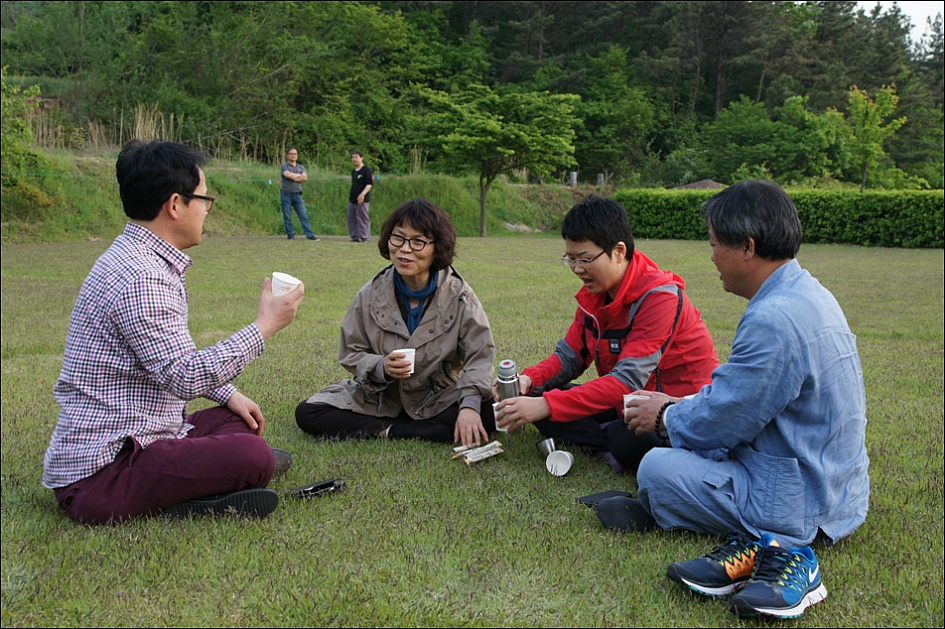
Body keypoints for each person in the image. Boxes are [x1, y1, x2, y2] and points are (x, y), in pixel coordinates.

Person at [606, 180, 869, 619]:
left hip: (805, 499)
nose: (711, 257)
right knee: (655, 443)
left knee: (655, 467)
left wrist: (665, 415)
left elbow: (723, 420)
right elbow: (743, 400)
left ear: (747, 246)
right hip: (836, 485)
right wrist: (677, 408)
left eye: (714, 244)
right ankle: (751, 538)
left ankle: (776, 548)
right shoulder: (808, 292)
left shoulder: (774, 318)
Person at [42, 140, 304, 524]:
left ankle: (208, 477)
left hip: (149, 431)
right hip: (103, 474)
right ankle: (208, 485)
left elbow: (164, 358)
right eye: (204, 199)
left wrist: (226, 393)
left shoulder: (140, 257)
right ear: (176, 204)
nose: (207, 210)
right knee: (255, 456)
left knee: (240, 421)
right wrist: (265, 326)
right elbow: (182, 375)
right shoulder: (142, 276)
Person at [493, 197, 718, 473]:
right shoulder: (596, 293)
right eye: (571, 259)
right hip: (625, 404)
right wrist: (528, 381)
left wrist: (546, 405)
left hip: (672, 411)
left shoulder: (660, 297)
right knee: (543, 395)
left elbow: (625, 380)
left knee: (628, 438)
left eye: (585, 259)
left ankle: (613, 442)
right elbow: (569, 357)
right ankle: (609, 435)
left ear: (619, 251)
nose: (577, 269)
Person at [296, 198, 496, 447]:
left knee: (493, 411)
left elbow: (480, 358)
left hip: (439, 398)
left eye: (418, 242)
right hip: (382, 399)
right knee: (308, 413)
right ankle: (404, 431)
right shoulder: (371, 294)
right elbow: (351, 352)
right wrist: (381, 366)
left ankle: (417, 426)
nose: (404, 249)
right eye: (398, 238)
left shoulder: (459, 295)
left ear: (438, 247)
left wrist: (468, 407)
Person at [280, 147, 319, 241]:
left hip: (298, 195)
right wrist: (298, 176)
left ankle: (310, 235)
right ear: (287, 155)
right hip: (286, 194)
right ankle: (290, 235)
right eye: (291, 153)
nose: (293, 155)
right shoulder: (284, 166)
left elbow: (305, 178)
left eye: (295, 154)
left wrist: (294, 177)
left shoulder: (301, 167)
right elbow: (287, 175)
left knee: (303, 215)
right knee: (287, 216)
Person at [348, 150, 373, 242]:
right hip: (352, 198)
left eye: (356, 157)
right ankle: (355, 236)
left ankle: (364, 236)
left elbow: (369, 184)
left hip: (363, 198)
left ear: (361, 158)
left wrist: (362, 194)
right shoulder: (353, 171)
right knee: (352, 218)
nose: (354, 159)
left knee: (362, 217)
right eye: (353, 157)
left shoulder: (366, 170)